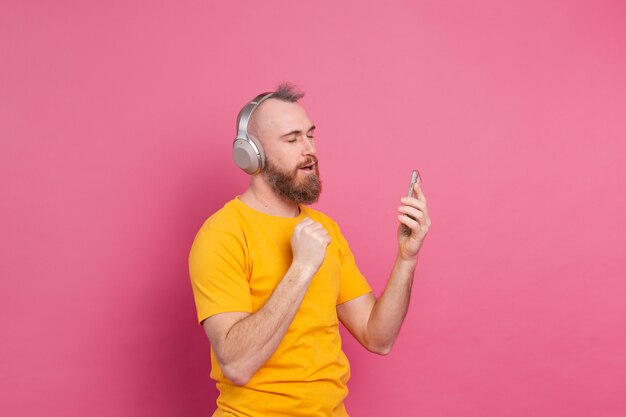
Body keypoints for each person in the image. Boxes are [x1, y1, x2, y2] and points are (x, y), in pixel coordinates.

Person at [188, 83, 431, 417]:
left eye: (310, 136)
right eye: (291, 140)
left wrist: (407, 258)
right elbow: (237, 364)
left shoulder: (324, 229)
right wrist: (301, 268)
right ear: (251, 154)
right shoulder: (222, 235)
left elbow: (378, 338)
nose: (309, 150)